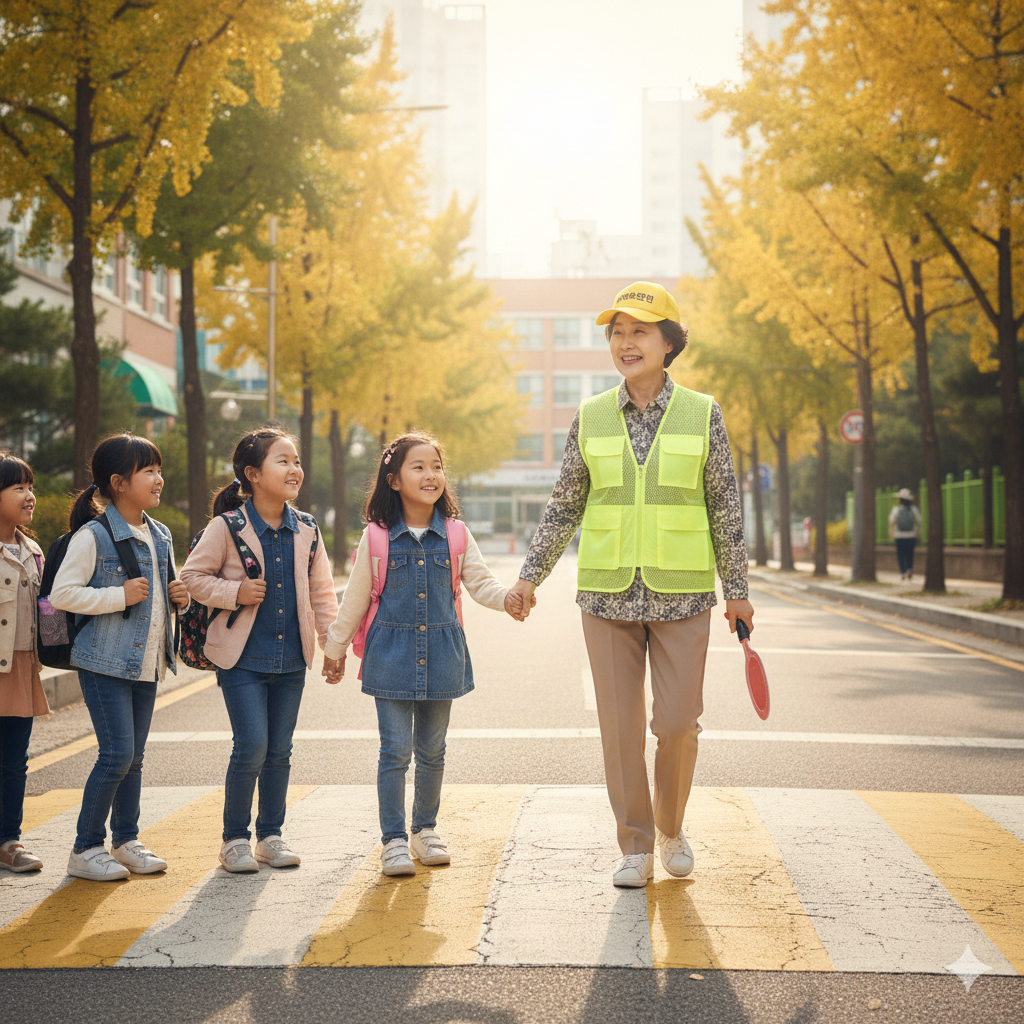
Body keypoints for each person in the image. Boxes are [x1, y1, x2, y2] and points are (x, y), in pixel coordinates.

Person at [507, 281, 754, 888]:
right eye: (617, 332)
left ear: (669, 342)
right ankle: (636, 845)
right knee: (619, 729)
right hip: (607, 595)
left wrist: (738, 588)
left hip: (684, 594)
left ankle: (671, 828)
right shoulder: (591, 415)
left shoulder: (703, 412)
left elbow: (724, 504)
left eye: (640, 331)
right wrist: (529, 576)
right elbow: (565, 503)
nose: (625, 342)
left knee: (677, 724)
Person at [322, 433, 529, 876]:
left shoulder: (455, 534)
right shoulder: (376, 538)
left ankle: (424, 829)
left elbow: (480, 583)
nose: (430, 474)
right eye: (418, 467)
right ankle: (394, 840)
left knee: (433, 751)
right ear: (393, 480)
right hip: (390, 655)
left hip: (442, 653)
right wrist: (334, 649)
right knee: (394, 751)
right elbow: (356, 599)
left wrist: (508, 598)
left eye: (436, 466)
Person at [181, 428, 338, 874]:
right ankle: (234, 840)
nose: (295, 469)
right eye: (282, 461)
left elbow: (322, 593)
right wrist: (236, 591)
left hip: (292, 659)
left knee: (279, 751)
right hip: (241, 658)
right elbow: (193, 577)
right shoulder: (227, 527)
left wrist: (332, 646)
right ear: (252, 474)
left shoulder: (305, 528)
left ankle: (271, 835)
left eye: (296, 461)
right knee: (251, 745)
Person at [51, 434, 190, 881]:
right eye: (147, 470)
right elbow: (62, 595)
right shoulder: (94, 535)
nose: (158, 478)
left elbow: (163, 595)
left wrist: (180, 598)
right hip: (103, 662)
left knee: (135, 757)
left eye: (158, 469)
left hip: (147, 662)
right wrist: (118, 594)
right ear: (118, 482)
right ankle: (85, 848)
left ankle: (126, 840)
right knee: (117, 754)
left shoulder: (160, 533)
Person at [0, 453, 48, 873]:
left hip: (19, 667)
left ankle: (8, 841)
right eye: (17, 487)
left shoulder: (33, 551)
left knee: (14, 760)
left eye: (29, 486)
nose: (29, 495)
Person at [888, 488, 921, 581]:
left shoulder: (896, 510)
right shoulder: (914, 509)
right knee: (910, 554)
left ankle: (903, 572)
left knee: (901, 554)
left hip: (899, 536)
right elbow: (919, 520)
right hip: (911, 535)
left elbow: (891, 521)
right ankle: (909, 569)